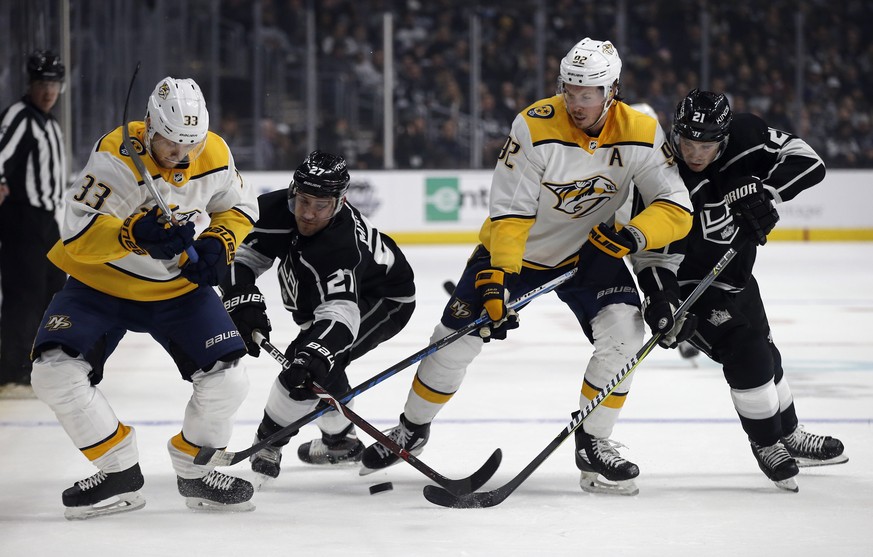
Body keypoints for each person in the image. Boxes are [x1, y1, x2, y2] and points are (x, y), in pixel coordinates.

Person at [359, 38, 693, 496]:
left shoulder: (641, 130)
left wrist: (630, 236)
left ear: (611, 89)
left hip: (593, 255)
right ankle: (412, 427)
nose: (576, 102)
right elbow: (510, 212)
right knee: (451, 343)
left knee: (625, 335)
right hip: (520, 255)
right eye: (569, 90)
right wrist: (497, 281)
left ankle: (593, 443)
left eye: (587, 93)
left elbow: (674, 205)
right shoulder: (534, 126)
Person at [29, 76, 260, 519]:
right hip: (102, 285)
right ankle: (118, 472)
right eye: (170, 144)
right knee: (53, 374)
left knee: (229, 379)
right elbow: (76, 234)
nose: (180, 156)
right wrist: (132, 233)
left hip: (177, 291)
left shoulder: (214, 152)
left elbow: (239, 208)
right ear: (150, 126)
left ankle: (197, 470)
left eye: (188, 145)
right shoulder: (114, 156)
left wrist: (220, 242)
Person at [635, 88, 847, 491]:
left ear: (726, 138)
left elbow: (809, 162)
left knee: (768, 354)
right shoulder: (659, 174)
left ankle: (789, 433)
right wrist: (661, 299)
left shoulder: (748, 136)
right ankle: (767, 443)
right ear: (674, 133)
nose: (695, 153)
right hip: (691, 288)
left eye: (706, 144)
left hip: (737, 276)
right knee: (748, 354)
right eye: (687, 142)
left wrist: (766, 193)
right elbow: (653, 256)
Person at [219, 150, 415, 480]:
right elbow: (240, 256)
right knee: (318, 363)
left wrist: (316, 352)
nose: (308, 214)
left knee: (308, 362)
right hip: (322, 301)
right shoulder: (276, 209)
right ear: (293, 191)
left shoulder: (340, 245)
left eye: (321, 205)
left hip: (382, 298)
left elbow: (342, 311)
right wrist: (241, 299)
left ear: (340, 202)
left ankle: (270, 440)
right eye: (303, 201)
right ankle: (341, 442)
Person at [0, 50, 69, 399]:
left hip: (45, 221)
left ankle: (44, 360)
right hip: (21, 218)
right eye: (43, 83)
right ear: (30, 84)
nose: (49, 91)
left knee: (56, 291)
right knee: (22, 295)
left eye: (54, 84)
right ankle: (11, 369)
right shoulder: (19, 115)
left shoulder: (50, 123)